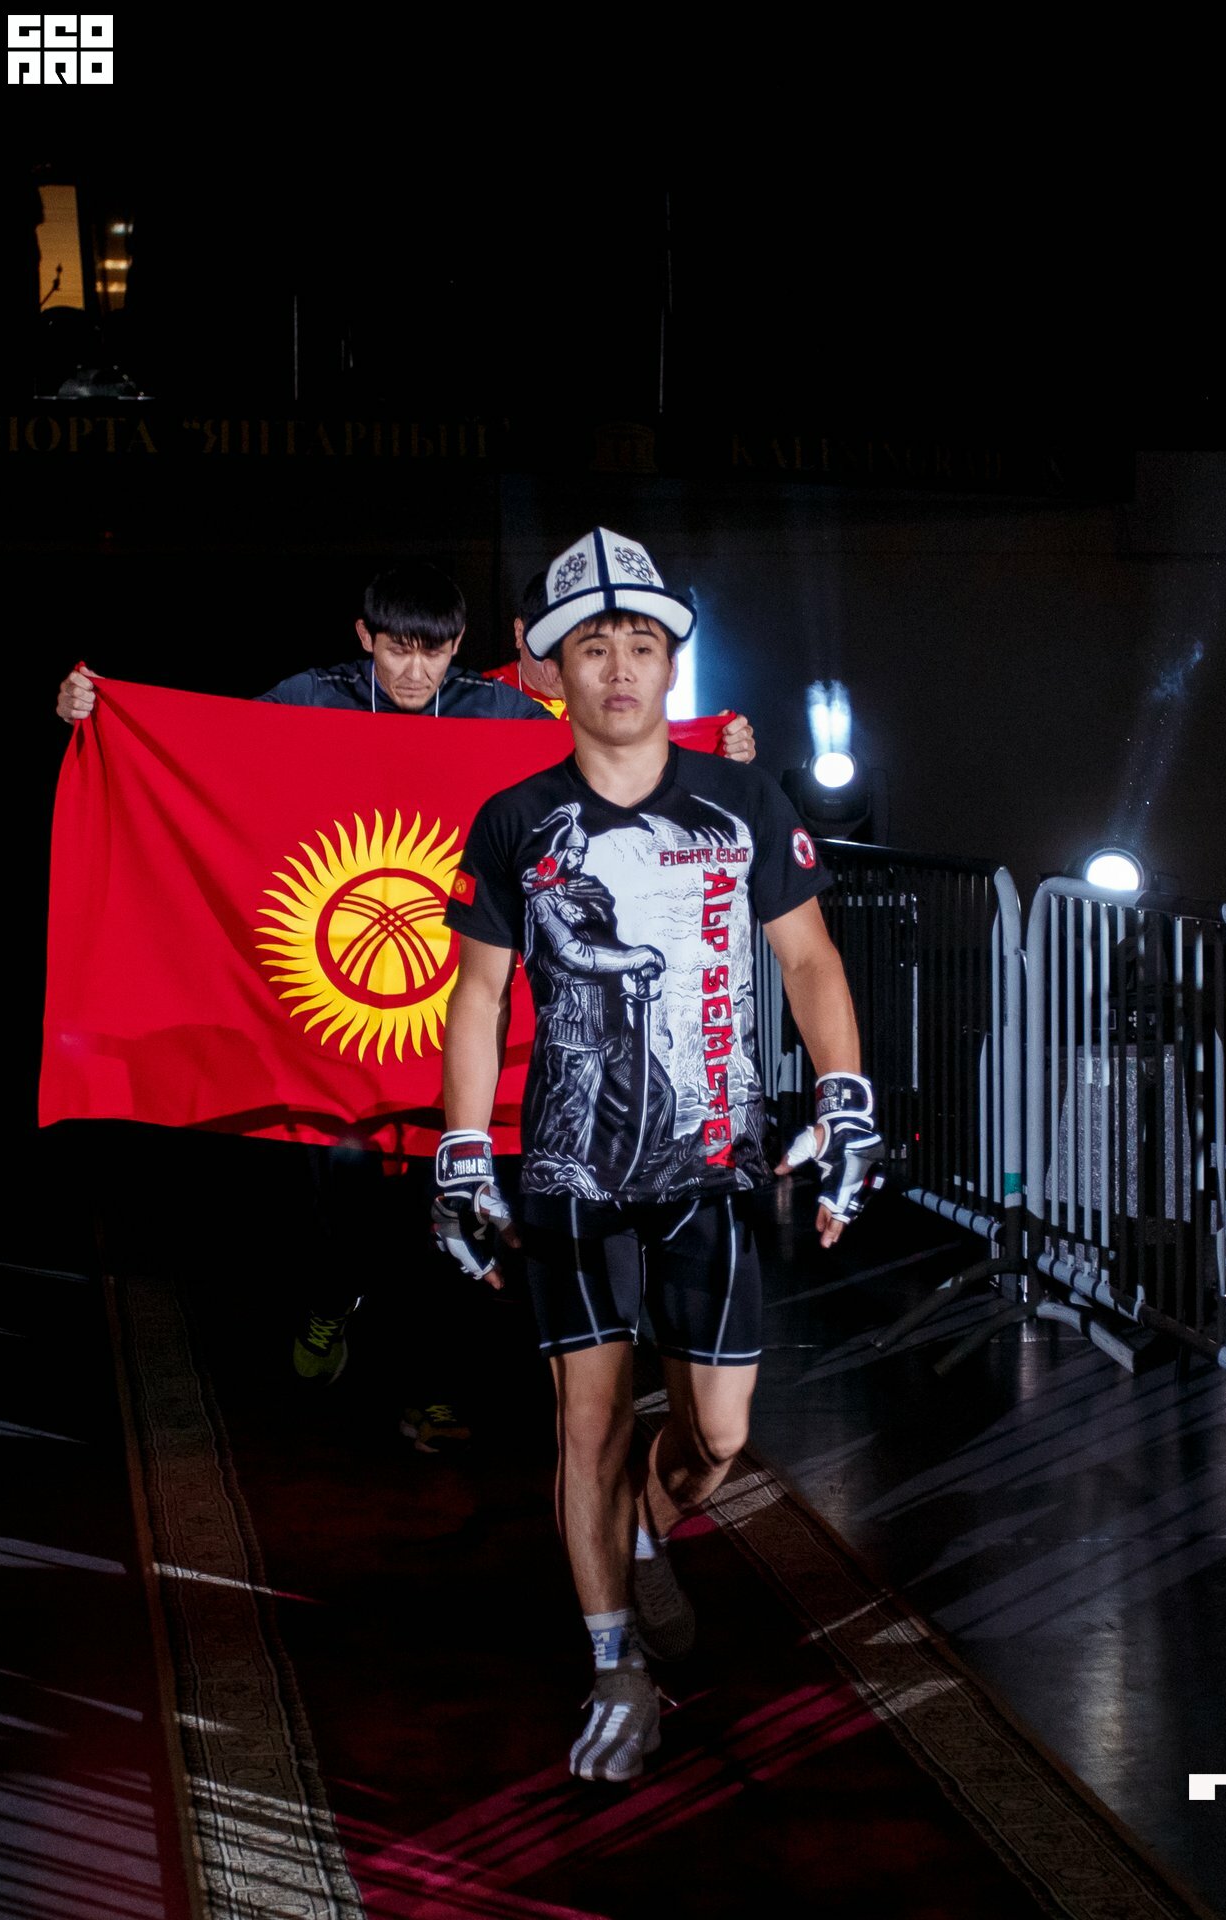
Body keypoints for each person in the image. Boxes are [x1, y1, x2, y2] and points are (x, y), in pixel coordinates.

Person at [433, 526, 883, 1783]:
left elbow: (807, 958)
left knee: (717, 1439)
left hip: (710, 1162)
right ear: (550, 671)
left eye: (640, 645)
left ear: (670, 666)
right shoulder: (515, 819)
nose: (620, 668)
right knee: (584, 1424)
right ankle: (612, 1663)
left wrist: (844, 1097)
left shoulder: (742, 800)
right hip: (571, 1167)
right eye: (593, 648)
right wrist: (461, 1149)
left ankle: (641, 1527)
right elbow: (478, 994)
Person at [55, 558, 552, 1449]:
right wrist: (97, 711)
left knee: (449, 1202)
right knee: (345, 1205)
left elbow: (609, 757)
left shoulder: (499, 714)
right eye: (397, 649)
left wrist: (714, 748)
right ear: (365, 639)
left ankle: (431, 1389)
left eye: (435, 652)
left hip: (451, 1014)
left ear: (459, 647)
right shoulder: (312, 696)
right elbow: (200, 750)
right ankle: (331, 1299)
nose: (415, 671)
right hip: (330, 1015)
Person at [483, 568, 759, 763]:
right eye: (546, 645)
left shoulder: (616, 693)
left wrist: (721, 748)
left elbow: (656, 761)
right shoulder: (479, 699)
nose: (559, 662)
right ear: (520, 633)